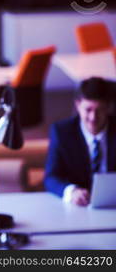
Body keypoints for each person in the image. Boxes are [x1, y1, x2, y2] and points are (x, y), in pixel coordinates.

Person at [44, 77, 116, 206]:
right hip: (78, 206)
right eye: (88, 110)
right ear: (78, 105)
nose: (93, 117)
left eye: (99, 110)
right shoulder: (61, 132)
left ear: (108, 108)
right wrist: (72, 191)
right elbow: (51, 177)